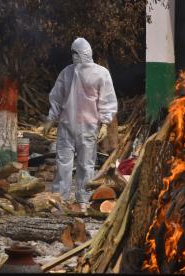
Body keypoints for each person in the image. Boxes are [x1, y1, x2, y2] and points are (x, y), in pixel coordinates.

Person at [43, 37, 117, 211]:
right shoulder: (67, 72)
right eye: (73, 53)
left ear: (84, 53)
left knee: (86, 164)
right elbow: (57, 97)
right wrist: (50, 119)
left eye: (76, 53)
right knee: (63, 163)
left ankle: (84, 200)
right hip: (66, 125)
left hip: (88, 126)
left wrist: (105, 123)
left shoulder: (100, 73)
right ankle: (59, 199)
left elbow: (107, 100)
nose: (74, 57)